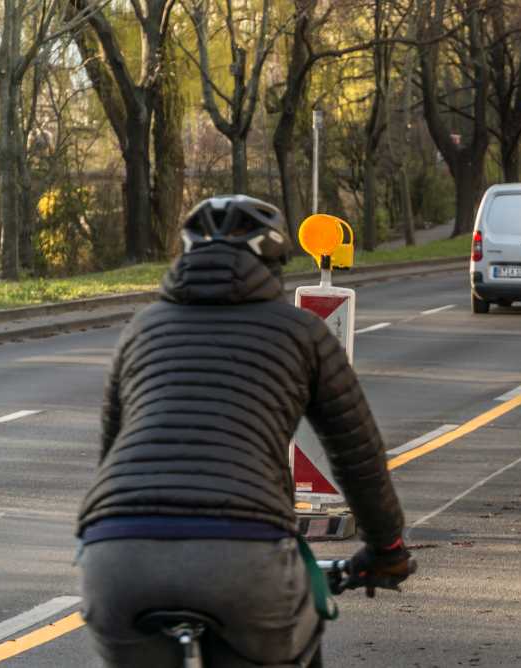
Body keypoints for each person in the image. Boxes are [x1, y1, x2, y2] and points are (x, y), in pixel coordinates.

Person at [76, 196, 410, 668]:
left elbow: (110, 453)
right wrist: (387, 549)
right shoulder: (302, 332)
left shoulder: (141, 329)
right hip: (242, 551)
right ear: (273, 266)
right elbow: (357, 457)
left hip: (117, 556)